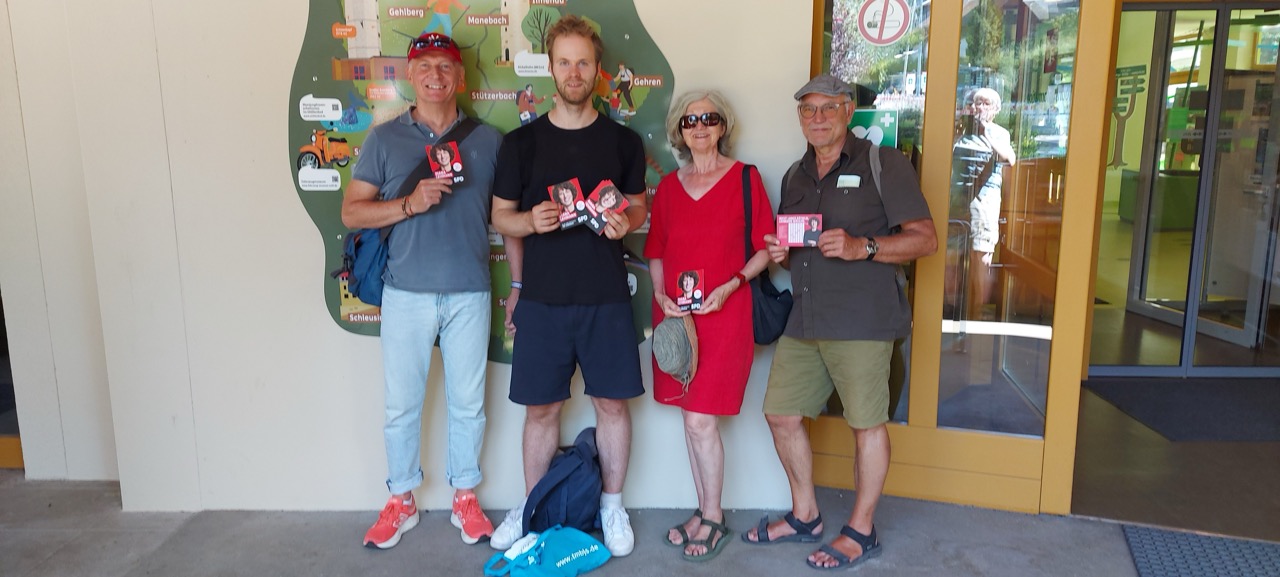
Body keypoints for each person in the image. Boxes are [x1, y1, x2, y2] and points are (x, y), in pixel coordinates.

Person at [743, 74, 936, 571]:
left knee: (865, 426)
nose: (819, 118)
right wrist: (780, 253)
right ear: (800, 117)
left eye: (829, 108)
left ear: (848, 112)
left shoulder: (882, 163)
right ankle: (805, 516)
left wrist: (861, 247)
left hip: (863, 321)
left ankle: (861, 530)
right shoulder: (795, 175)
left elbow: (925, 239)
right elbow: (797, 250)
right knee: (781, 414)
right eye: (809, 109)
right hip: (805, 319)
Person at [488, 13, 649, 557]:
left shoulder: (623, 142)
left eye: (583, 62)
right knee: (540, 412)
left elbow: (639, 207)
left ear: (598, 70)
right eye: (564, 62)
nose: (574, 72)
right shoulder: (521, 143)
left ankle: (611, 507)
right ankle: (531, 508)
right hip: (542, 300)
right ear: (551, 69)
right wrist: (529, 221)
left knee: (612, 407)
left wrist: (626, 221)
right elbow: (501, 216)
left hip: (606, 298)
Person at [340, 32, 502, 549]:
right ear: (410, 75)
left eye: (446, 66)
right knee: (401, 405)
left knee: (469, 404)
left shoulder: (489, 140)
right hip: (405, 292)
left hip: (470, 291)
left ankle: (465, 497)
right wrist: (409, 204)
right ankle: (401, 499)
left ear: (460, 77)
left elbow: (507, 214)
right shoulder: (384, 140)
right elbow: (352, 212)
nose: (436, 75)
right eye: (425, 65)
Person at [645, 90, 774, 562]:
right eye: (690, 120)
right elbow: (656, 250)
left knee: (701, 420)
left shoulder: (745, 178)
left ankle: (714, 518)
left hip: (725, 314)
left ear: (723, 126)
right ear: (679, 131)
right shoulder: (669, 187)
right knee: (689, 418)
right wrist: (660, 295)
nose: (699, 126)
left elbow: (766, 247)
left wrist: (733, 283)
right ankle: (703, 511)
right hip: (677, 318)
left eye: (709, 118)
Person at [951, 87, 1015, 319]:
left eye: (986, 103)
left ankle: (976, 314)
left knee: (981, 257)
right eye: (976, 103)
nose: (979, 107)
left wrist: (985, 132)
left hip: (983, 202)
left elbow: (1010, 158)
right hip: (957, 201)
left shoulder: (998, 132)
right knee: (953, 256)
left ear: (996, 110)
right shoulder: (961, 130)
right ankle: (950, 311)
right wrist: (958, 131)